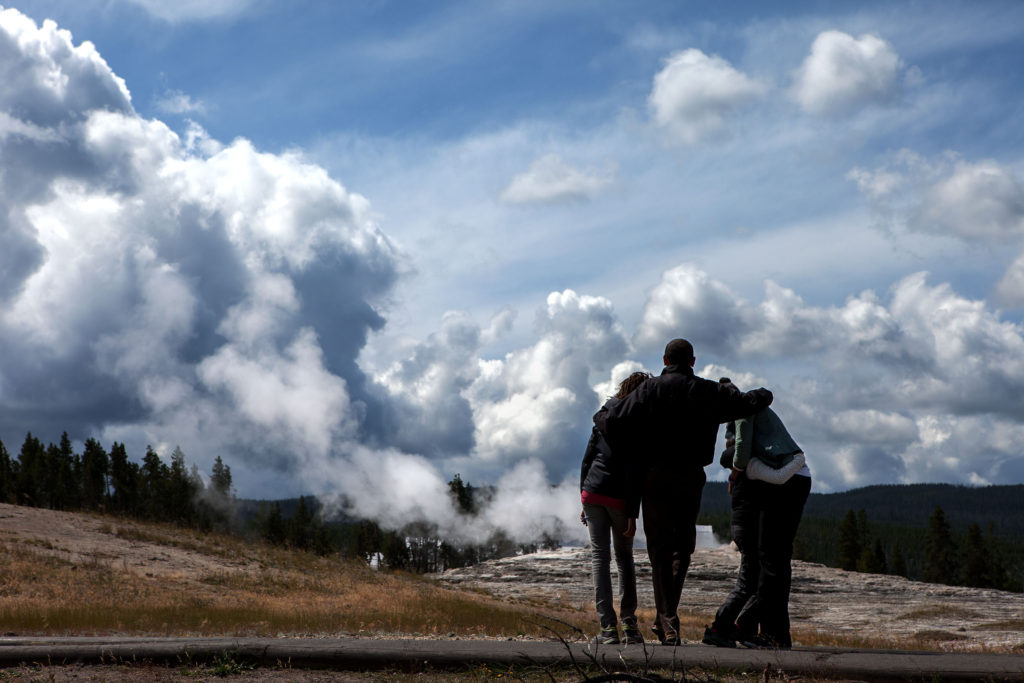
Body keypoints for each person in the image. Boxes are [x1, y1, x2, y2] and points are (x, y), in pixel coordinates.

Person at [596, 339, 774, 645]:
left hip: (654, 476)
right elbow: (752, 402)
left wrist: (610, 422)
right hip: (690, 476)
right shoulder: (707, 391)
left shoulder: (649, 390)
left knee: (659, 550)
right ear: (693, 361)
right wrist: (743, 390)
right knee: (682, 548)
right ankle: (667, 618)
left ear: (665, 359)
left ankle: (668, 620)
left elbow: (610, 420)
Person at [702, 378, 812, 650]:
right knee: (773, 561)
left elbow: (743, 446)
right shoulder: (748, 410)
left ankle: (762, 631)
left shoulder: (741, 412)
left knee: (772, 563)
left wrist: (737, 469)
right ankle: (767, 633)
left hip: (790, 479)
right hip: (790, 479)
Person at [580, 371, 651, 645]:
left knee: (600, 558)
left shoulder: (603, 416)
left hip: (593, 492)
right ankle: (630, 626)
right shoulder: (641, 423)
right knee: (624, 559)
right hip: (620, 498)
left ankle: (607, 629)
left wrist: (582, 497)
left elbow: (587, 459)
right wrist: (633, 513)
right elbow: (635, 474)